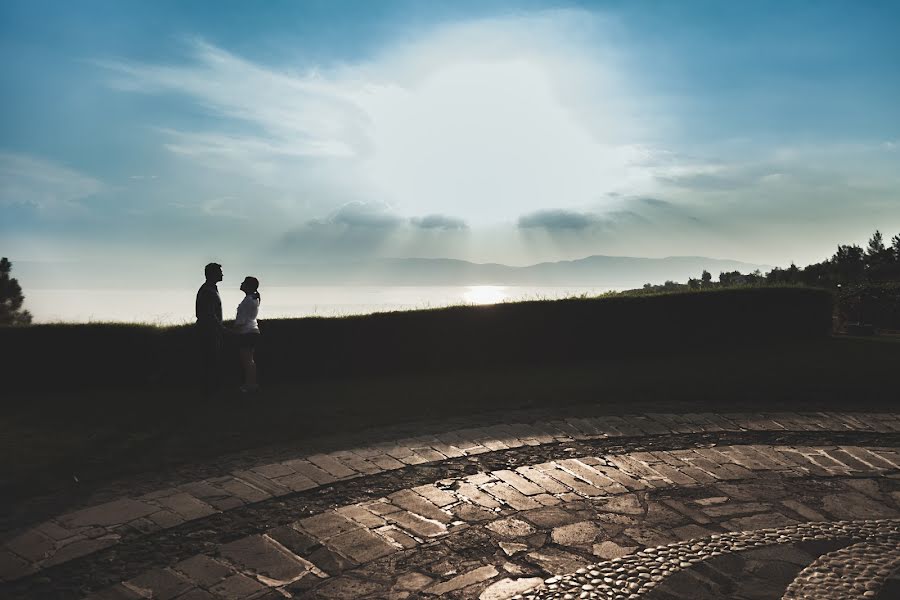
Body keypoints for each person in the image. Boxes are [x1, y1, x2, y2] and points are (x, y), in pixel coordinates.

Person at [196, 262, 225, 394]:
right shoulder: (208, 290)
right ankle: (209, 391)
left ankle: (210, 390)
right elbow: (210, 314)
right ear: (213, 274)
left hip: (210, 330)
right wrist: (222, 328)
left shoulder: (210, 288)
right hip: (208, 331)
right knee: (210, 361)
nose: (222, 274)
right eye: (219, 271)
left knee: (211, 360)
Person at [234, 276, 261, 393]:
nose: (241, 283)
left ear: (248, 286)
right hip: (252, 331)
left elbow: (242, 320)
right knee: (250, 359)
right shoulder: (253, 299)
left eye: (244, 282)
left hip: (247, 332)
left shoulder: (247, 301)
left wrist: (233, 329)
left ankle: (250, 385)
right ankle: (252, 384)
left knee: (247, 360)